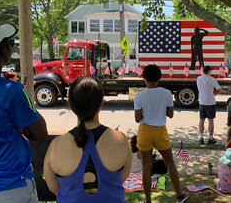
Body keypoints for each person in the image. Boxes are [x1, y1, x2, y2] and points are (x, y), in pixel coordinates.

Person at [43, 76, 132, 202]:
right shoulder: (120, 140)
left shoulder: (56, 146)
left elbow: (53, 187)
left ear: (71, 105)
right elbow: (121, 179)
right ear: (101, 104)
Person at [0, 24, 48, 203]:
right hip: (10, 185)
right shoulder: (12, 90)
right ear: (4, 51)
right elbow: (40, 133)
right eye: (10, 43)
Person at [134, 64, 189, 203]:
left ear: (144, 78)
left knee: (146, 167)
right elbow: (170, 115)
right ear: (159, 77)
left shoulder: (139, 95)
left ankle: (147, 200)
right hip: (160, 130)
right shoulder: (166, 94)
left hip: (145, 131)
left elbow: (137, 118)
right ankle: (179, 196)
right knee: (170, 164)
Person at [196, 65, 221, 144]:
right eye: (211, 70)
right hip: (210, 102)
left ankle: (201, 137)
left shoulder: (198, 79)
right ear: (209, 71)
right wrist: (214, 93)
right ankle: (210, 138)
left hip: (202, 101)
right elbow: (219, 90)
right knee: (210, 121)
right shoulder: (212, 79)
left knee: (201, 120)